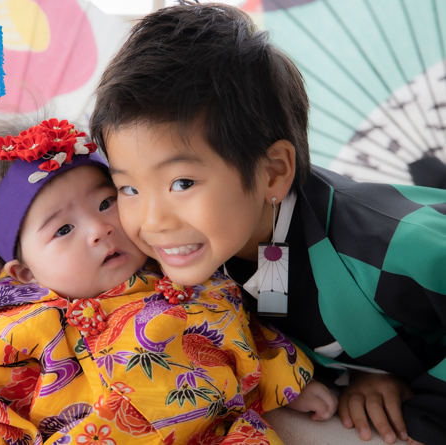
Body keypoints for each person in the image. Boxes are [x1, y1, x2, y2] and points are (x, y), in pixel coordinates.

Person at [89, 2, 446, 445]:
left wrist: (424, 413)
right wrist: (364, 375)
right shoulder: (203, 258)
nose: (152, 220)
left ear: (274, 172)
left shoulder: (387, 241)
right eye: (128, 188)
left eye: (182, 183)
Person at [0, 117, 335, 445]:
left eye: (106, 203)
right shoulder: (24, 325)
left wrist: (289, 382)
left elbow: (246, 331)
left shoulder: (187, 271)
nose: (99, 230)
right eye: (64, 230)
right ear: (26, 274)